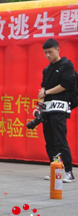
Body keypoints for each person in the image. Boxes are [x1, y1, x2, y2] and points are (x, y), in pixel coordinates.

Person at [38, 38, 75, 182]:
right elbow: (43, 88)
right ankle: (55, 168)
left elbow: (65, 84)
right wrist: (40, 105)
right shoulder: (47, 69)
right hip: (47, 108)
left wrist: (46, 93)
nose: (48, 55)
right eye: (46, 53)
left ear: (58, 49)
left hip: (60, 107)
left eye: (50, 52)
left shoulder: (66, 65)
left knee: (60, 139)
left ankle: (69, 171)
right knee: (50, 140)